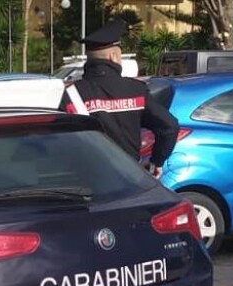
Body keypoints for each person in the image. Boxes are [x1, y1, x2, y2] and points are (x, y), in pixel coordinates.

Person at [60, 20, 179, 178]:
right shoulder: (136, 90)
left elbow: (60, 142)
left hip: (88, 181)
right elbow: (169, 127)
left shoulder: (72, 94)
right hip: (129, 181)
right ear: (113, 56)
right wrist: (156, 161)